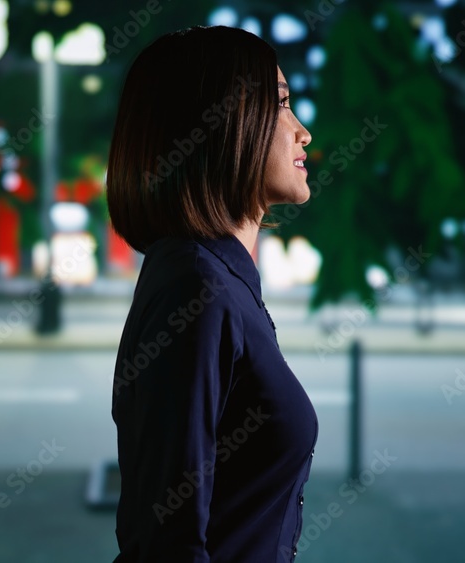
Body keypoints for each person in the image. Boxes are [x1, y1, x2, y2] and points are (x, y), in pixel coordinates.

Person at [106, 25, 319, 562]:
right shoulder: (198, 288)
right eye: (282, 104)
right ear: (224, 124)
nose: (302, 132)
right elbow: (168, 544)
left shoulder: (214, 276)